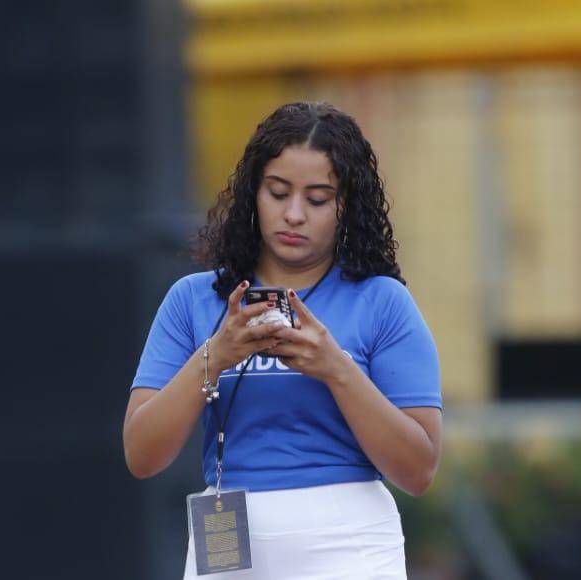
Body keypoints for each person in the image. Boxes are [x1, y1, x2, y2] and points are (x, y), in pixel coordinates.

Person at [123, 102, 442, 579]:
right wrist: (215, 355)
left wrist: (335, 367)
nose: (293, 214)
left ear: (346, 206)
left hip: (347, 543)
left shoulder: (382, 301)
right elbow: (142, 455)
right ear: (253, 192)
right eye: (277, 192)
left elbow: (418, 471)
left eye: (317, 199)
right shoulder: (193, 299)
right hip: (228, 543)